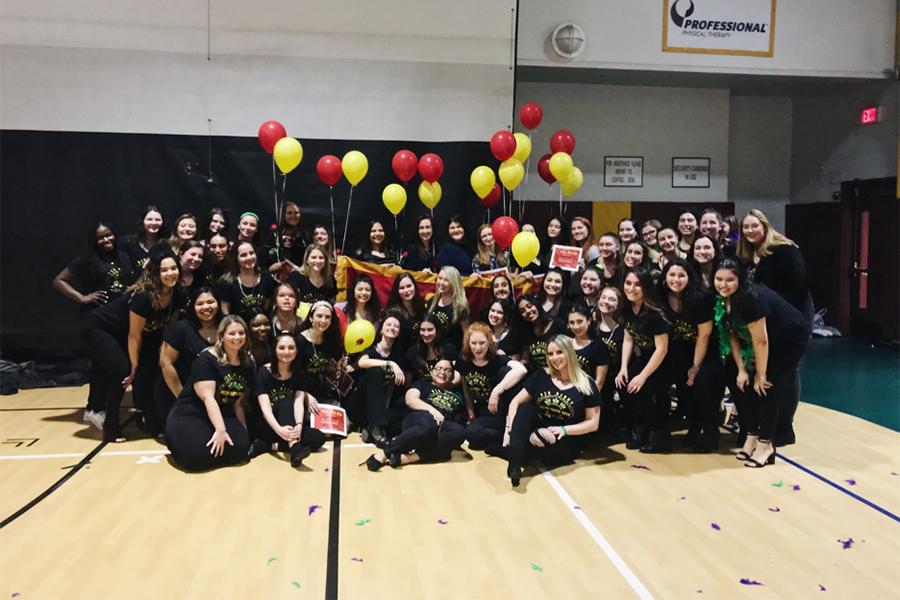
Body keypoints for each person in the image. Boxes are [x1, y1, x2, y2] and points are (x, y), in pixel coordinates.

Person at [713, 260, 810, 467]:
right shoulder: (724, 299)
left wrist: (762, 373)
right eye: (719, 279)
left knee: (765, 388)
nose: (723, 284)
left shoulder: (749, 299)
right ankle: (751, 436)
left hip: (789, 338)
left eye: (730, 280)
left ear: (740, 280)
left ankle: (766, 444)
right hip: (764, 339)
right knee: (745, 385)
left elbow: (761, 340)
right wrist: (741, 369)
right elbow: (731, 334)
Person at [82, 247, 184, 442]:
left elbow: (168, 328)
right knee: (124, 373)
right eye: (164, 270)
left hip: (126, 333)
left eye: (174, 268)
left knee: (153, 372)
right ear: (155, 273)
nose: (170, 273)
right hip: (100, 328)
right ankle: (110, 428)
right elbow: (134, 335)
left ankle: (155, 424)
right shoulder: (144, 296)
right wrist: (134, 365)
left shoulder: (177, 293)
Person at [737, 209, 811, 448]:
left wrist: (777, 315)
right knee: (769, 371)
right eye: (745, 227)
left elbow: (797, 287)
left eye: (754, 226)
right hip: (766, 319)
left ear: (765, 226)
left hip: (790, 317)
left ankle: (784, 426)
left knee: (787, 372)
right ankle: (768, 423)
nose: (750, 231)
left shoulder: (785, 250)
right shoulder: (749, 255)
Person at [53, 222, 135, 428]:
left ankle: (94, 408)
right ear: (94, 240)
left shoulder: (122, 256)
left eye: (109, 235)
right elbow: (59, 281)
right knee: (119, 368)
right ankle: (104, 416)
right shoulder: (86, 259)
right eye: (101, 237)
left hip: (119, 320)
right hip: (96, 320)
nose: (107, 240)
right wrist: (82, 297)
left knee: (101, 367)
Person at [502, 335, 602, 487]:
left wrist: (564, 429)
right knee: (526, 408)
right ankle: (514, 464)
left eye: (559, 352)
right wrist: (510, 429)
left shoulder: (587, 384)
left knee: (534, 441)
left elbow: (593, 423)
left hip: (565, 439)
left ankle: (514, 450)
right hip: (537, 429)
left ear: (569, 352)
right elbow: (515, 402)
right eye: (550, 354)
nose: (554, 358)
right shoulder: (542, 375)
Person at [165, 315, 254, 471]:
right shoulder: (206, 359)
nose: (237, 337)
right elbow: (208, 399)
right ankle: (179, 441)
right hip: (192, 412)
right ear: (221, 336)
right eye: (232, 333)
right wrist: (220, 430)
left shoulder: (247, 362)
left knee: (241, 449)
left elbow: (239, 403)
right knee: (197, 458)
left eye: (241, 333)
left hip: (223, 413)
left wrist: (243, 431)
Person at [658, 259, 722, 452]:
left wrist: (695, 367)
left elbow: (704, 335)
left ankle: (711, 431)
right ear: (665, 277)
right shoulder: (662, 296)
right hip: (683, 347)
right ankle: (693, 427)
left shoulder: (700, 298)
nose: (676, 279)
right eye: (671, 275)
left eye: (681, 275)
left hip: (709, 349)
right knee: (682, 387)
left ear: (689, 277)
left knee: (702, 384)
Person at [362, 359, 466, 470]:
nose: (442, 372)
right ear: (432, 372)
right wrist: (432, 410)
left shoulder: (457, 396)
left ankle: (406, 458)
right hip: (420, 417)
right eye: (439, 368)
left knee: (459, 432)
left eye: (447, 370)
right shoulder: (422, 384)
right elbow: (410, 400)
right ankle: (385, 453)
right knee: (429, 428)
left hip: (443, 424)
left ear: (452, 375)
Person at [248, 333, 326, 467]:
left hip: (288, 424)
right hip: (266, 423)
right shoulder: (264, 372)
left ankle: (270, 445)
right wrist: (279, 430)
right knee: (285, 401)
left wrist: (299, 426)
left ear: (296, 351)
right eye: (282, 348)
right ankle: (294, 446)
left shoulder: (298, 373)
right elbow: (265, 409)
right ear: (274, 350)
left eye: (291, 348)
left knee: (319, 438)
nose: (286, 352)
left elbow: (298, 403)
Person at [615, 268, 671, 453]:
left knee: (645, 389)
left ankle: (658, 433)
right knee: (624, 384)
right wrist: (623, 367)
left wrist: (643, 377)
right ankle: (640, 426)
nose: (631, 288)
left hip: (664, 360)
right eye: (628, 283)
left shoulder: (656, 313)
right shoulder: (627, 307)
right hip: (645, 356)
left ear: (646, 287)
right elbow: (628, 338)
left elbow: (662, 349)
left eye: (637, 284)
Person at [157, 288, 220, 430]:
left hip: (210, 398)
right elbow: (165, 363)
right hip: (177, 395)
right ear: (193, 306)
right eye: (200, 304)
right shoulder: (180, 328)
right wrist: (182, 399)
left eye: (210, 302)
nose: (206, 307)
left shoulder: (224, 327)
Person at [459, 323, 528, 451]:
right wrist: (471, 415)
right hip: (483, 410)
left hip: (500, 410)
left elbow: (521, 369)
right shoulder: (464, 361)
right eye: (473, 343)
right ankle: (499, 437)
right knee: (470, 433)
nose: (478, 347)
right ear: (468, 343)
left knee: (505, 371)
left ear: (489, 343)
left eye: (482, 343)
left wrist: (496, 391)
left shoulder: (497, 359)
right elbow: (466, 390)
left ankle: (506, 433)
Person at [349, 311, 407, 446]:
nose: (392, 328)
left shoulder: (398, 355)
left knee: (406, 413)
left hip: (380, 409)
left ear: (398, 332)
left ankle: (369, 429)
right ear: (381, 329)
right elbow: (362, 363)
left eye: (396, 326)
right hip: (360, 405)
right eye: (389, 324)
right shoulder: (370, 349)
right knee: (375, 371)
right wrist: (389, 364)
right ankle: (376, 429)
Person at [296, 301, 346, 404]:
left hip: (322, 389)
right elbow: (294, 374)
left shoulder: (331, 339)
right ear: (311, 318)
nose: (323, 320)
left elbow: (335, 365)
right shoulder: (299, 341)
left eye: (327, 317)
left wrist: (341, 365)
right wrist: (306, 396)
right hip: (301, 391)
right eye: (319, 316)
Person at [220, 241, 276, 322]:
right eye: (243, 255)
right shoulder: (227, 282)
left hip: (261, 326)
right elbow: (225, 311)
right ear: (236, 259)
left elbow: (266, 308)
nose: (249, 257)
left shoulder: (266, 277)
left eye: (251, 253)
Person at [515, 295, 567, 371]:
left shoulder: (558, 324)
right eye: (523, 311)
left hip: (558, 371)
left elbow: (567, 353)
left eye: (529, 306)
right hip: (537, 374)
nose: (528, 311)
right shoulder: (525, 331)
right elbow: (525, 359)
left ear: (536, 305)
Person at [403, 315, 457, 384]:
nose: (426, 334)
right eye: (422, 330)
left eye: (430, 330)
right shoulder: (412, 352)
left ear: (437, 330)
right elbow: (407, 383)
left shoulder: (449, 349)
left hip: (445, 390)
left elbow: (456, 376)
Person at [567, 304, 609, 391]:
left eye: (580, 321)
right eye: (572, 322)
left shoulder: (599, 346)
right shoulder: (566, 344)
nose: (576, 326)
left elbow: (599, 383)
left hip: (588, 395)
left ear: (588, 320)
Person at [384, 272, 427, 353]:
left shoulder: (421, 307)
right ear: (397, 291)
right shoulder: (392, 313)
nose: (406, 290)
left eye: (409, 286)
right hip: (400, 357)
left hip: (420, 352)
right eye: (402, 288)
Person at [427, 266, 469, 348]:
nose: (441, 283)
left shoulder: (460, 306)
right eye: (440, 278)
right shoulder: (431, 301)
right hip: (432, 350)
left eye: (446, 280)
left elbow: (466, 333)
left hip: (452, 351)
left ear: (454, 283)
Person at [121, 206, 164, 272]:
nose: (154, 223)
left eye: (157, 220)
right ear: (142, 221)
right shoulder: (129, 243)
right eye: (149, 219)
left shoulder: (166, 244)